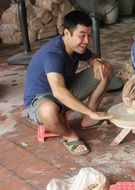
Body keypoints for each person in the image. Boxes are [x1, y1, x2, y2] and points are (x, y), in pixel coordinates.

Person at [23, 10, 113, 155]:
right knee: (48, 110)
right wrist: (91, 111)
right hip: (42, 98)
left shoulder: (76, 46)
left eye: (88, 35)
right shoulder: (53, 54)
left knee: (105, 68)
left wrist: (96, 61)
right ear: (66, 33)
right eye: (82, 35)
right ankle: (70, 135)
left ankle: (88, 120)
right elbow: (58, 91)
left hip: (67, 88)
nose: (86, 40)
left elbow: (91, 56)